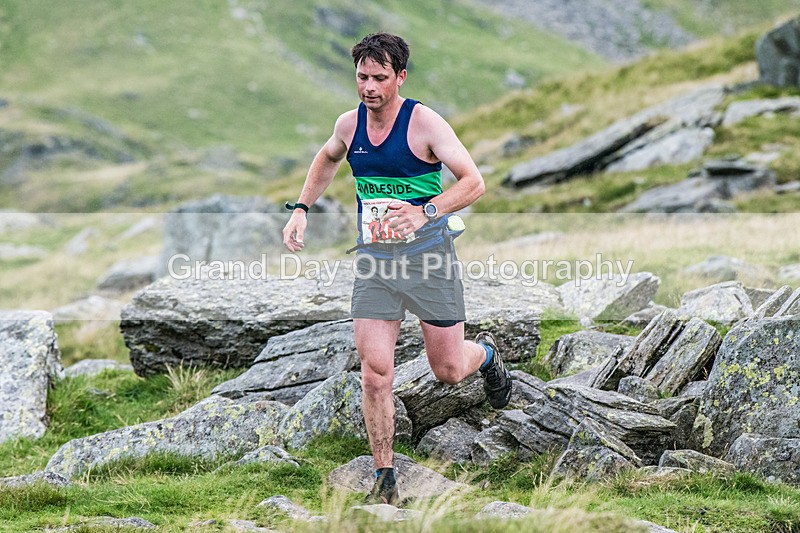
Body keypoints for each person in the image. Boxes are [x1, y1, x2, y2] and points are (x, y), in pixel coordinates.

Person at [282, 32, 512, 505]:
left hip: (429, 260)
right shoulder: (349, 125)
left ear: (400, 77)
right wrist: (301, 208)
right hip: (375, 264)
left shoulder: (425, 123)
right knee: (375, 373)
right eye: (362, 77)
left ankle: (487, 355)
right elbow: (327, 158)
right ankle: (384, 478)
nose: (369, 87)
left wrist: (425, 212)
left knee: (448, 370)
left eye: (379, 78)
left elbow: (474, 182)